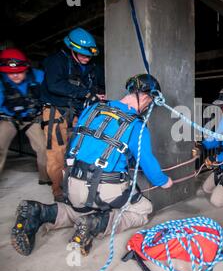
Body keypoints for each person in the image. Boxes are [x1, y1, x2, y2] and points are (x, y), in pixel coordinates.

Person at [11, 74, 173, 257]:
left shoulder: (94, 109)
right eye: (149, 102)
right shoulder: (136, 126)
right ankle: (96, 224)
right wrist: (164, 181)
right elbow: (149, 166)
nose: (147, 107)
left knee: (80, 209)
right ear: (145, 96)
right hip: (105, 188)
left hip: (72, 182)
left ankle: (39, 211)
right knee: (143, 209)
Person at [40, 27, 105, 202]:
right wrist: (85, 93)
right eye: (81, 54)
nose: (86, 58)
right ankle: (59, 191)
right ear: (71, 49)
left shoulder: (91, 67)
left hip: (77, 111)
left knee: (78, 148)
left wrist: (97, 94)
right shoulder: (55, 62)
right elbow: (55, 85)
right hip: (55, 111)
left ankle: (79, 183)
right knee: (57, 152)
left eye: (88, 55)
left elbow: (96, 86)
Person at [0, 48, 50, 184]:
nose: (15, 76)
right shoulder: (1, 82)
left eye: (19, 72)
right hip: (9, 118)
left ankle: (45, 177)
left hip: (32, 118)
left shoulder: (38, 76)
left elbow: (51, 90)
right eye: (10, 73)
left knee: (43, 148)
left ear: (26, 68)